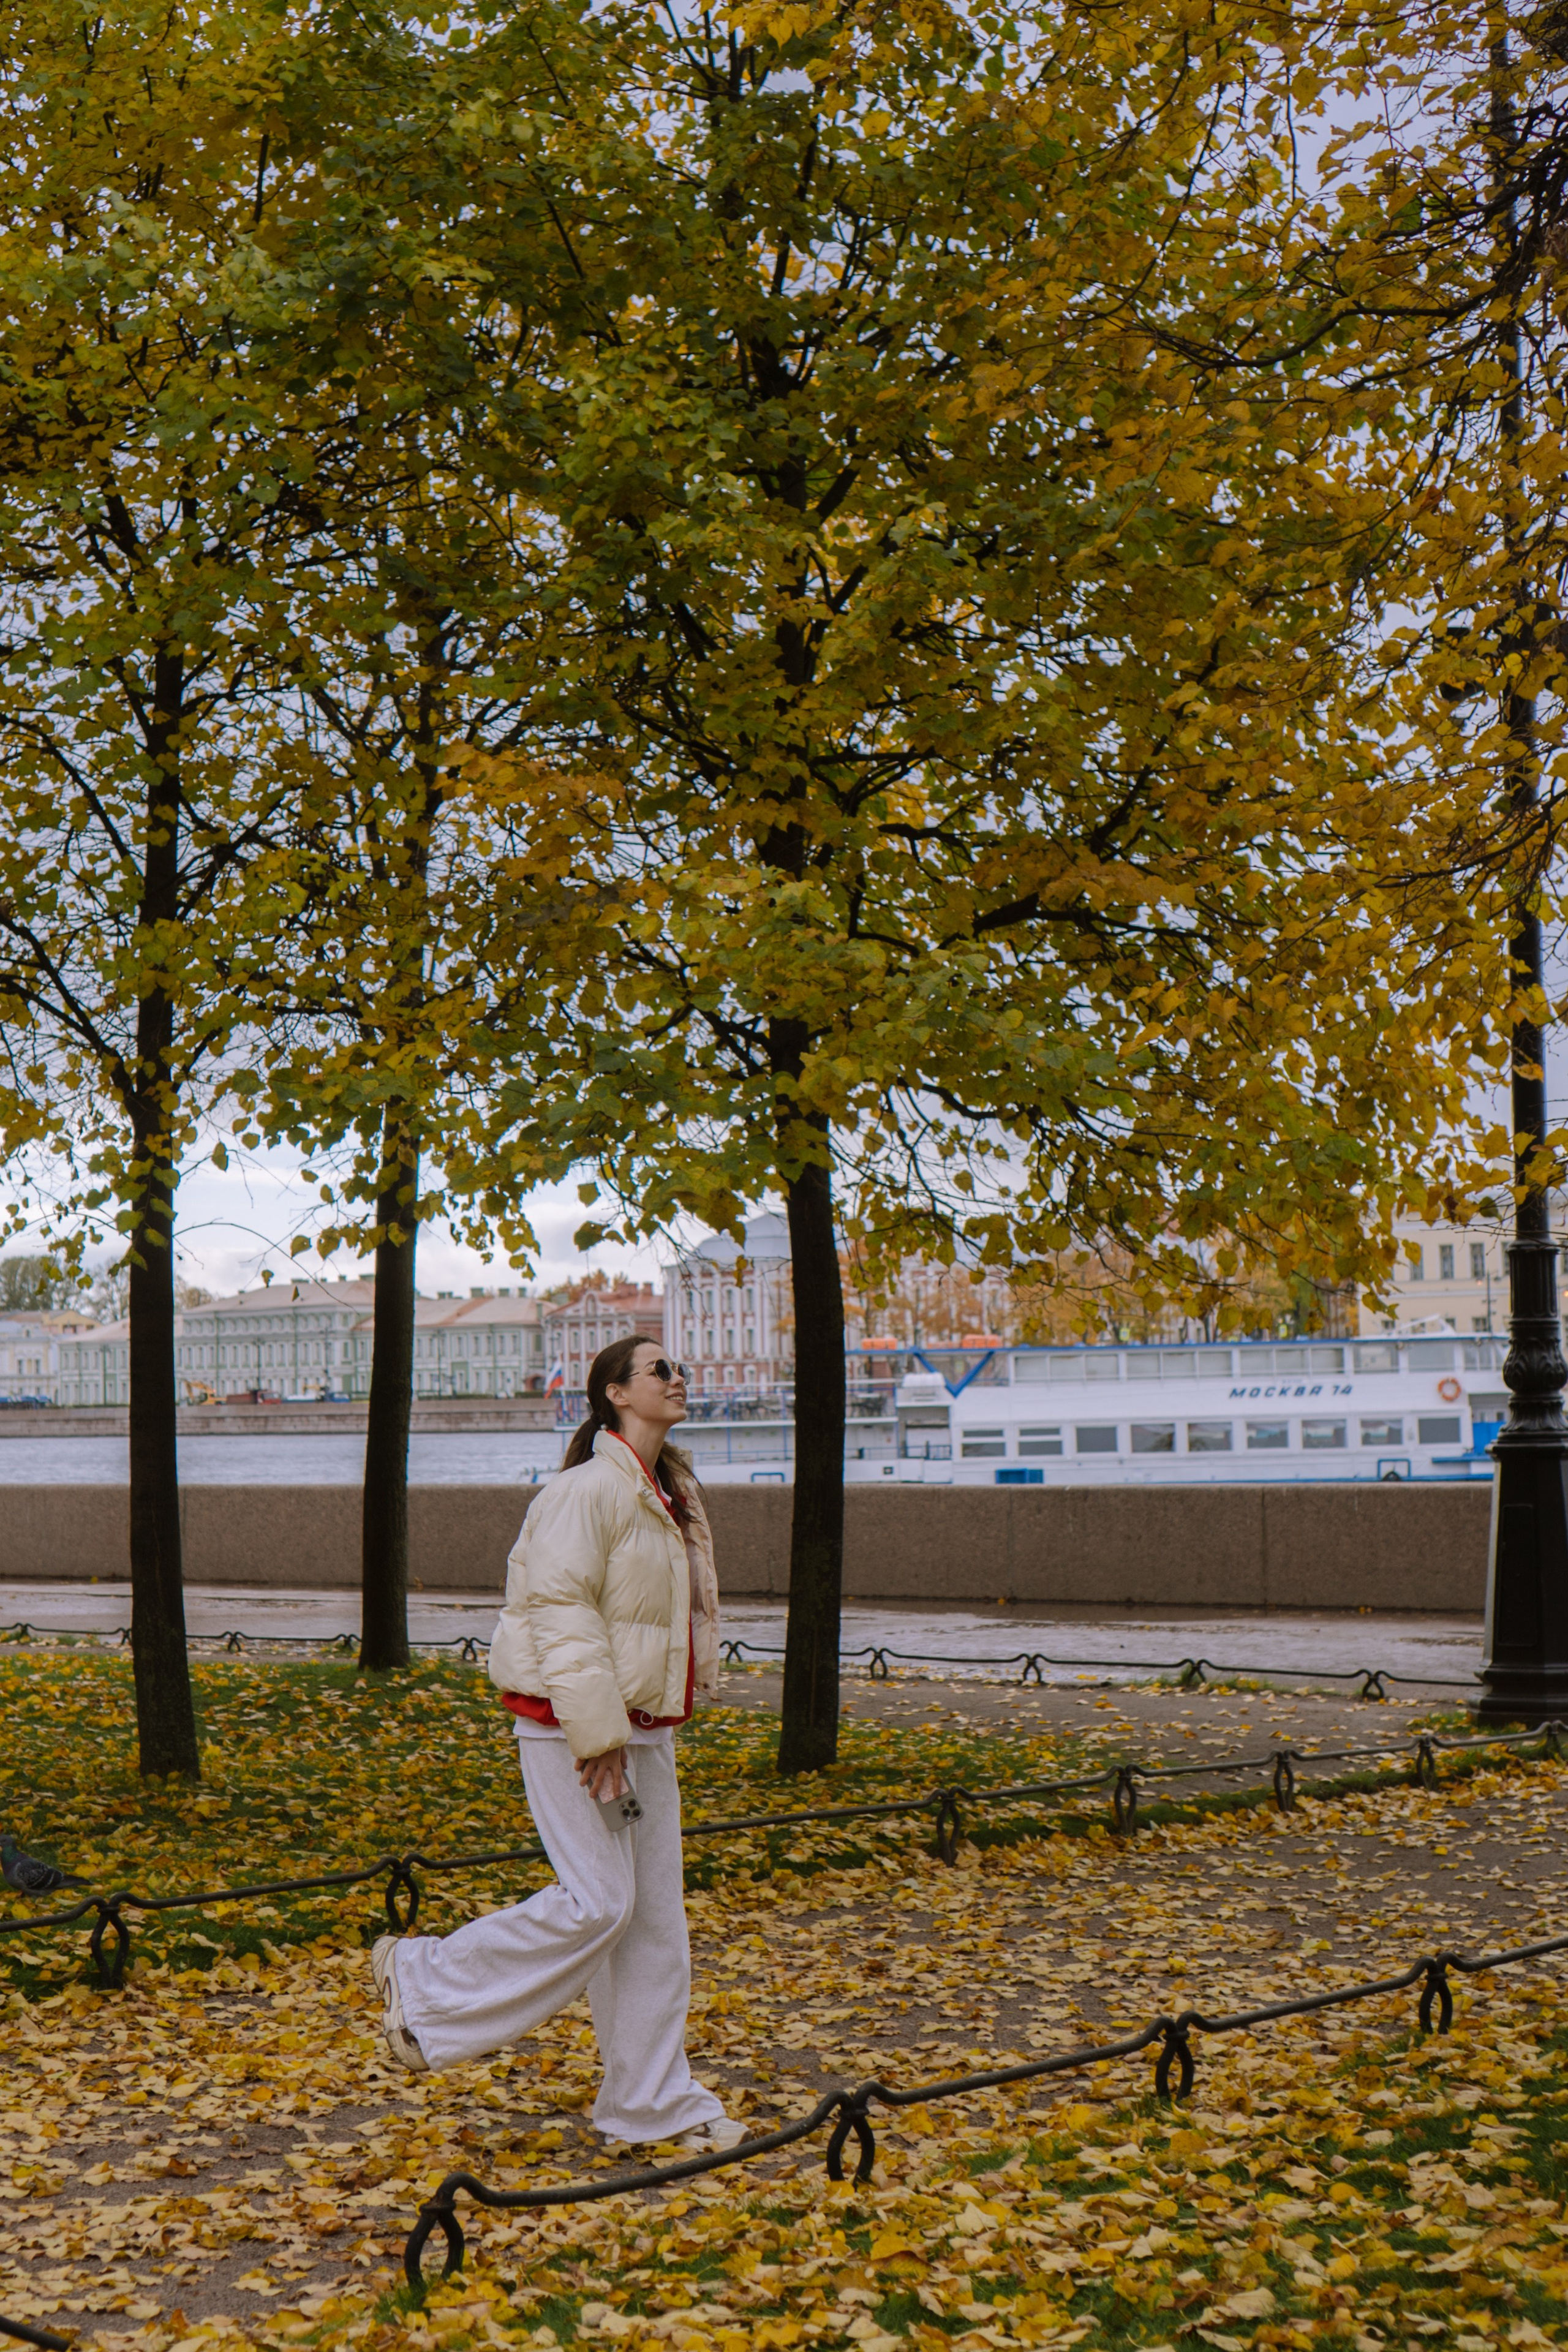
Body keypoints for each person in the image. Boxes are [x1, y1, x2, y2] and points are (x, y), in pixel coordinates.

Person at [370, 1335, 741, 2152]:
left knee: (652, 1926)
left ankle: (649, 2105)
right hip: (569, 1728)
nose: (678, 1379)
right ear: (616, 1393)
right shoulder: (583, 1492)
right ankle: (423, 1977)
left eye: (678, 1368)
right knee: (599, 1903)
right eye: (660, 1370)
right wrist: (598, 1734)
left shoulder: (668, 1490)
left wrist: (642, 1722)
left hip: (642, 1731)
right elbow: (562, 1615)